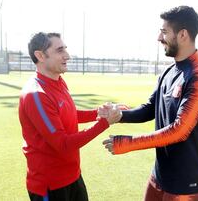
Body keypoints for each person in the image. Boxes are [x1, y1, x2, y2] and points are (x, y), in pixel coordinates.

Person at [102, 6, 198, 201]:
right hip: (160, 173)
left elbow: (180, 131)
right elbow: (150, 108)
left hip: (186, 181)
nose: (159, 37)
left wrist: (127, 143)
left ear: (182, 35)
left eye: (164, 32)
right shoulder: (169, 71)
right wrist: (120, 115)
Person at [19, 32, 121, 201]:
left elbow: (69, 113)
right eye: (60, 50)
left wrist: (98, 112)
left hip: (73, 176)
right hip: (50, 186)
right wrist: (104, 123)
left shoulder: (58, 81)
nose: (67, 56)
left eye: (65, 49)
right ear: (40, 55)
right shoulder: (36, 95)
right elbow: (63, 144)